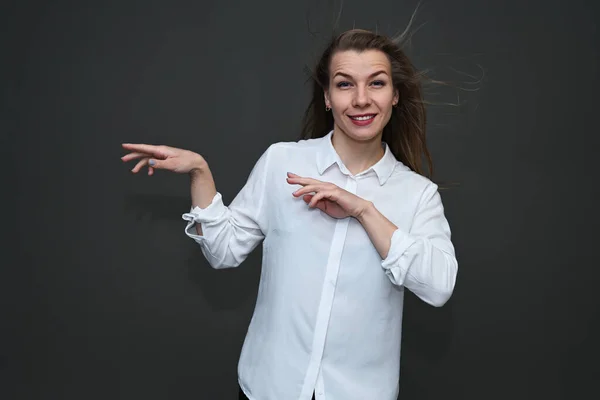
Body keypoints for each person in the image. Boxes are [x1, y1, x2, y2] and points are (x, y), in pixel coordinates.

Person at [122, 28, 458, 400]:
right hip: (268, 386)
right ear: (327, 97)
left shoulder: (417, 194)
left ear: (395, 95)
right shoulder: (282, 162)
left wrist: (363, 210)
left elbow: (438, 287)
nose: (361, 100)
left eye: (376, 83)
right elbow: (223, 252)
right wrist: (201, 173)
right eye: (345, 85)